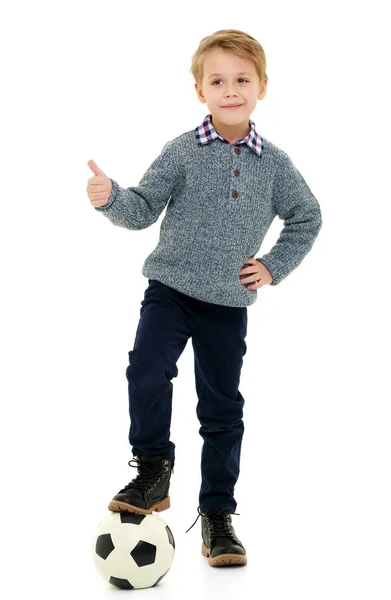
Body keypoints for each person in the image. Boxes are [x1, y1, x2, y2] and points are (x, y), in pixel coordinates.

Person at [86, 28, 322, 568]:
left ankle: (217, 515)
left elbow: (307, 216)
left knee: (222, 410)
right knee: (146, 369)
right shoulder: (183, 150)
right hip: (169, 288)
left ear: (262, 86)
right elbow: (143, 208)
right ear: (200, 90)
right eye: (218, 80)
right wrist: (111, 198)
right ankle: (153, 469)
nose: (230, 89)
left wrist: (272, 266)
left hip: (227, 303)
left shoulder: (275, 165)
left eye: (242, 79)